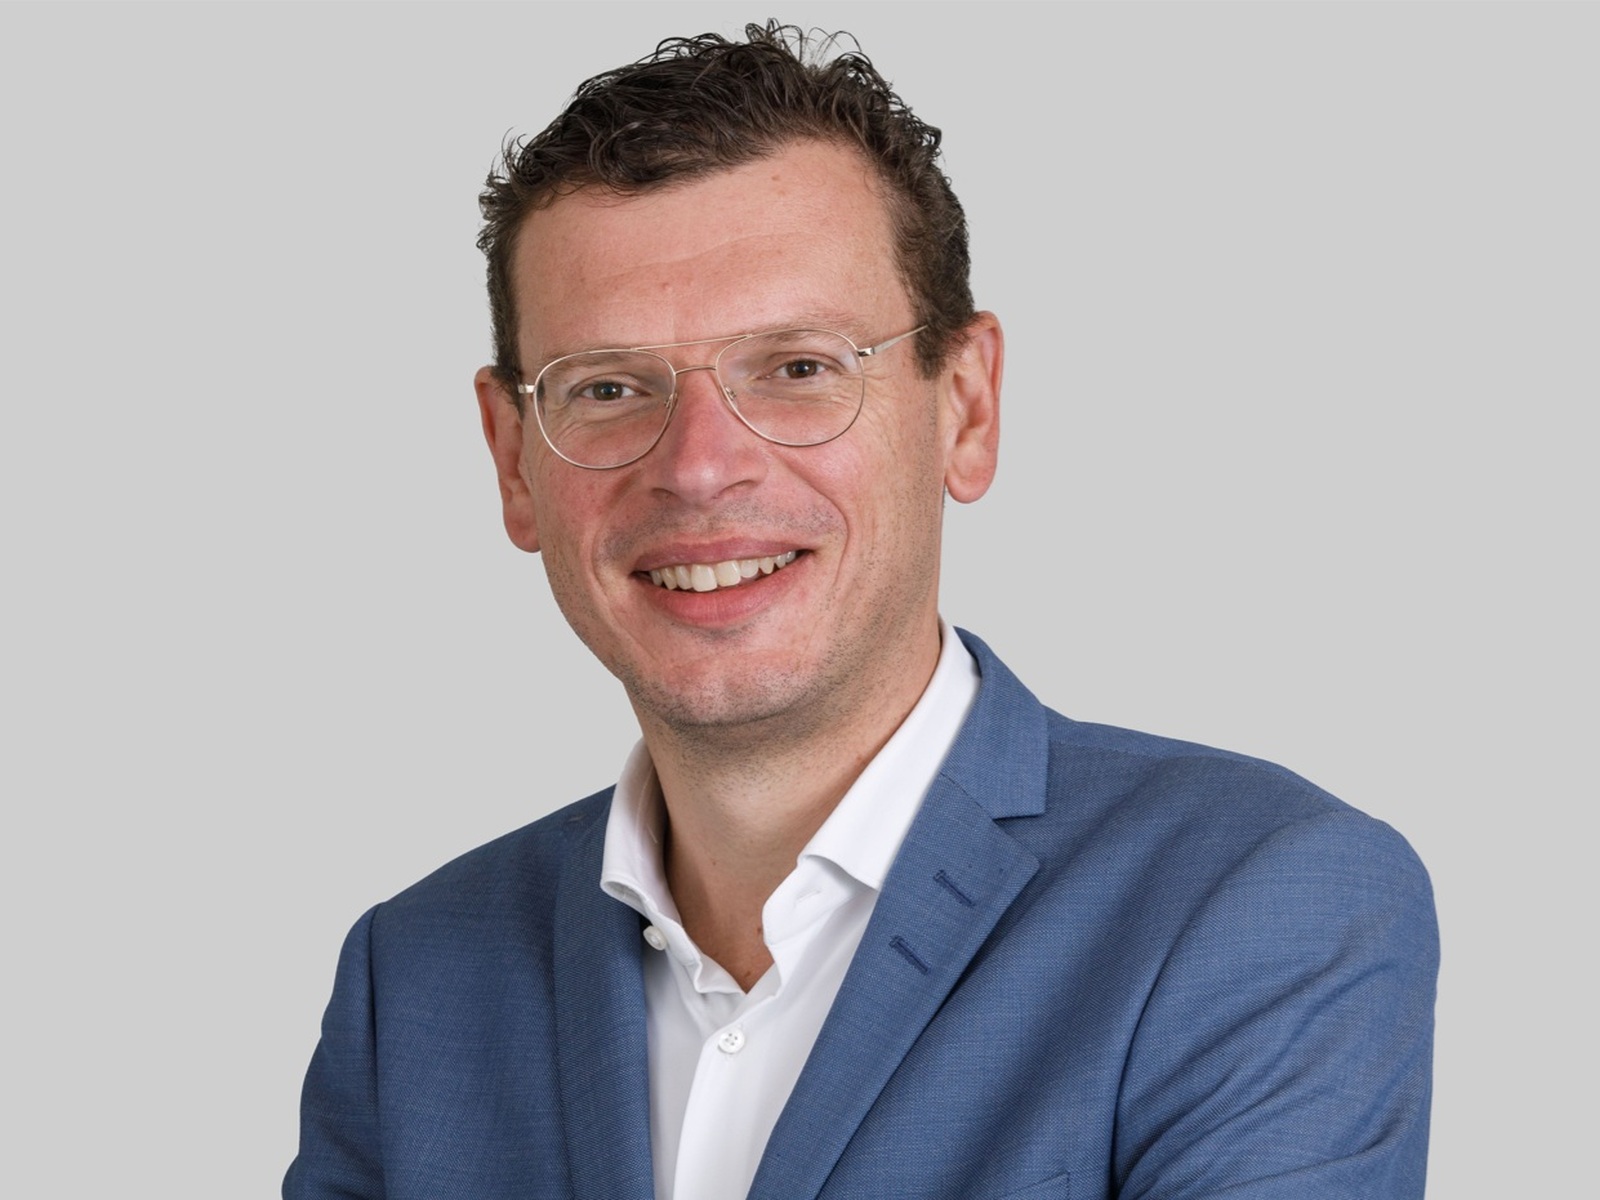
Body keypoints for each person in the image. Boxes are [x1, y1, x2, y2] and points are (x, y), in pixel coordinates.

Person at [285, 22, 1437, 1200]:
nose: (697, 467)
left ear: (965, 407)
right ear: (512, 459)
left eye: (798, 368)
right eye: (610, 387)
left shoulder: (1256, 904)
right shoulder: (412, 980)